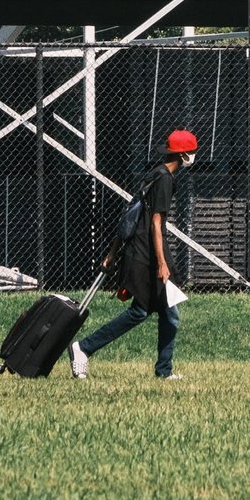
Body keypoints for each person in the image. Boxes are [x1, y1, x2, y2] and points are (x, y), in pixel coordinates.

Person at [71, 128, 197, 380]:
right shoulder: (164, 179)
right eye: (192, 152)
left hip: (140, 250)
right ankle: (83, 348)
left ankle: (164, 370)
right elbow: (155, 222)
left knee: (168, 312)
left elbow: (131, 213)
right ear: (183, 155)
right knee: (142, 311)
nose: (194, 156)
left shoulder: (154, 174)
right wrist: (162, 263)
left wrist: (113, 251)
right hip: (146, 254)